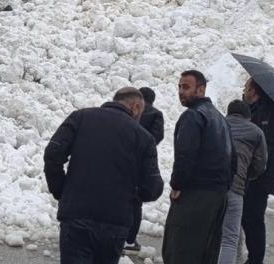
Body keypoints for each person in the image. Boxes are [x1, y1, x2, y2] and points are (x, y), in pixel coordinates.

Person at [44, 87, 164, 264]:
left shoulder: (80, 117)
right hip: (116, 222)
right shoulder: (144, 137)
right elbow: (152, 187)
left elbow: (53, 154)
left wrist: (61, 190)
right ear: (136, 107)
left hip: (76, 215)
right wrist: (133, 197)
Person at [162, 70, 236, 264]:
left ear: (201, 89)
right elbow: (233, 159)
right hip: (218, 196)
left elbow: (185, 154)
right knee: (206, 252)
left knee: (181, 250)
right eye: (179, 87)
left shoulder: (193, 116)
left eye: (186, 87)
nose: (181, 91)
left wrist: (177, 185)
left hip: (195, 195)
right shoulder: (220, 119)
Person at [219, 100, 267, 264]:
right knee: (229, 240)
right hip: (236, 188)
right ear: (248, 117)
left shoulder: (217, 124)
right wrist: (245, 175)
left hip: (211, 188)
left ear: (228, 113)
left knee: (207, 234)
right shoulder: (257, 132)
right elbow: (260, 165)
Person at [241, 78, 274, 264]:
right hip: (248, 175)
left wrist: (253, 170)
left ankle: (255, 259)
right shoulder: (253, 110)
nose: (244, 90)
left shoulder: (267, 115)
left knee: (254, 219)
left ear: (254, 91)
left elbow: (263, 149)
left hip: (260, 177)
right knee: (245, 217)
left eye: (246, 87)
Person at [125, 86, 165, 253]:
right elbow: (157, 136)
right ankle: (130, 240)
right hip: (141, 164)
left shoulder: (128, 111)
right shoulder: (156, 114)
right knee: (136, 202)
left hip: (123, 159)